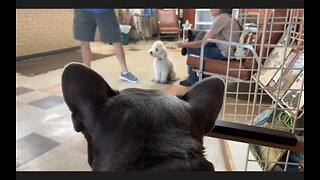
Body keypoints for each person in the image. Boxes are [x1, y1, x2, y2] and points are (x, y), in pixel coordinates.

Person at [176, 9, 241, 86]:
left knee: (191, 48)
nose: (211, 9)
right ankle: (202, 78)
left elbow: (202, 43)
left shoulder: (221, 18)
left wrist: (184, 45)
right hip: (227, 49)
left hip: (224, 53)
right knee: (197, 40)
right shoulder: (228, 18)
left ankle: (192, 80)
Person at [73, 9, 138, 83]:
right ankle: (87, 73)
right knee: (84, 41)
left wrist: (127, 11)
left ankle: (125, 72)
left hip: (106, 10)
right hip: (83, 10)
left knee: (116, 40)